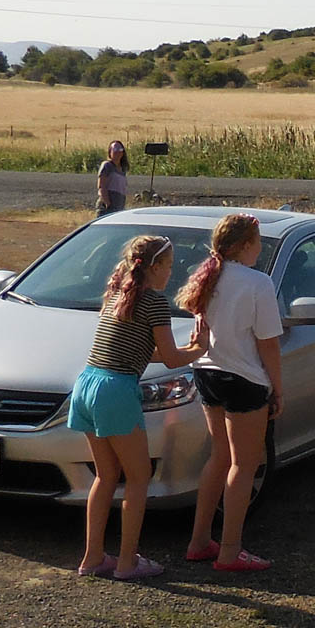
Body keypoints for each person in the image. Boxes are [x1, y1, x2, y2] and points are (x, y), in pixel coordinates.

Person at [71, 235, 208, 580]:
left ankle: (93, 557)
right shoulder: (154, 302)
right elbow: (173, 357)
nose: (172, 272)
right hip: (116, 390)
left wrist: (187, 350)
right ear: (156, 267)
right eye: (170, 265)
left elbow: (143, 351)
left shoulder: (118, 295)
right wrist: (199, 348)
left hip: (88, 383)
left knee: (105, 475)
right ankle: (127, 562)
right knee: (138, 476)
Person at [176, 214, 283, 571]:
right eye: (256, 242)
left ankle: (199, 540)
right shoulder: (258, 282)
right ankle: (230, 550)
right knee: (244, 463)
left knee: (219, 457)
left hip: (207, 372)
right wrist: (278, 388)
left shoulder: (206, 275)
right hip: (244, 379)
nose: (259, 248)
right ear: (244, 246)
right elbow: (268, 343)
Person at [96, 140, 129, 217]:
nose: (117, 152)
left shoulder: (122, 169)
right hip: (108, 207)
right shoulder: (107, 166)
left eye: (120, 150)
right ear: (110, 152)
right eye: (115, 149)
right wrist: (108, 203)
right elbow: (101, 186)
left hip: (119, 206)